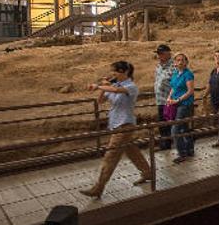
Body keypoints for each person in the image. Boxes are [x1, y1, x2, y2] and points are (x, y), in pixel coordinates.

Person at [80, 61, 151, 199]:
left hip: (125, 126)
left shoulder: (131, 86)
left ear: (124, 72)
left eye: (115, 71)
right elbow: (100, 101)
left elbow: (118, 91)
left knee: (110, 156)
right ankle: (148, 173)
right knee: (132, 152)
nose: (112, 74)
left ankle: (98, 187)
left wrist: (99, 85)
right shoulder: (113, 85)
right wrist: (103, 87)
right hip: (116, 124)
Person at [168, 53, 196, 163]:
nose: (180, 62)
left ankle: (182, 153)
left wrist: (178, 100)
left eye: (182, 60)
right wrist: (169, 97)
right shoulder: (175, 74)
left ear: (186, 62)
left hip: (185, 104)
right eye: (178, 60)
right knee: (184, 127)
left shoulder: (188, 74)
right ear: (174, 62)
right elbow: (173, 88)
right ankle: (190, 149)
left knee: (175, 130)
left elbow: (190, 91)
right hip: (175, 103)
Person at [153, 44, 174, 150]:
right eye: (158, 54)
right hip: (160, 99)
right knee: (162, 123)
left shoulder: (174, 66)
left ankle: (169, 143)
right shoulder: (159, 66)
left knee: (170, 123)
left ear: (168, 53)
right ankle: (165, 144)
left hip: (169, 99)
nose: (159, 56)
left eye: (161, 53)